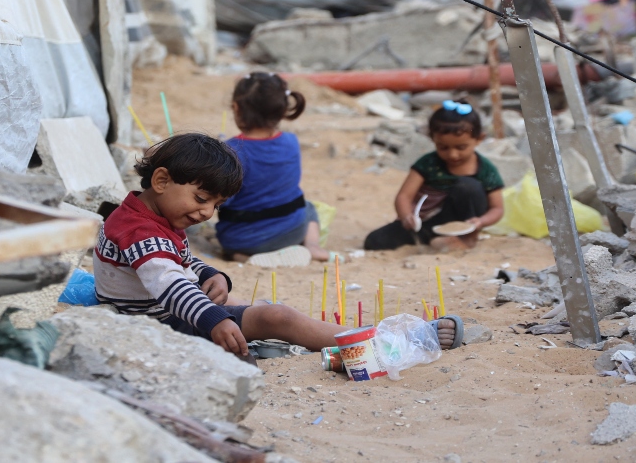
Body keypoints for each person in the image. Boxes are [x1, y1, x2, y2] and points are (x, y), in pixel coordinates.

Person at [94, 133, 464, 356]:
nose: (207, 212)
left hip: (163, 312)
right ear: (161, 180)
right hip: (158, 325)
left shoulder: (148, 217)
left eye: (216, 206)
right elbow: (170, 284)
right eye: (202, 198)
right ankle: (394, 341)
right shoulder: (142, 231)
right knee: (278, 317)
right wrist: (211, 318)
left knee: (251, 306)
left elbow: (179, 264)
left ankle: (356, 335)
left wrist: (212, 275)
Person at [215, 73, 330, 266]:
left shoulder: (231, 150)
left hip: (243, 239)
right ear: (282, 110)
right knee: (308, 207)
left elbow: (222, 199)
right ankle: (311, 245)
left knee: (230, 233)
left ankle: (242, 257)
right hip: (292, 231)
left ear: (236, 108)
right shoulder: (291, 142)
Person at [365, 101, 505, 251]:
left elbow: (497, 208)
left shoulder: (485, 169)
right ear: (433, 139)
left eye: (461, 147)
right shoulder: (428, 163)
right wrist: (407, 217)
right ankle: (434, 239)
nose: (452, 154)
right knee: (375, 241)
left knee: (468, 186)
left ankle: (466, 240)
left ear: (479, 139)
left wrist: (480, 222)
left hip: (463, 225)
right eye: (443, 147)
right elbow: (404, 196)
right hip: (428, 222)